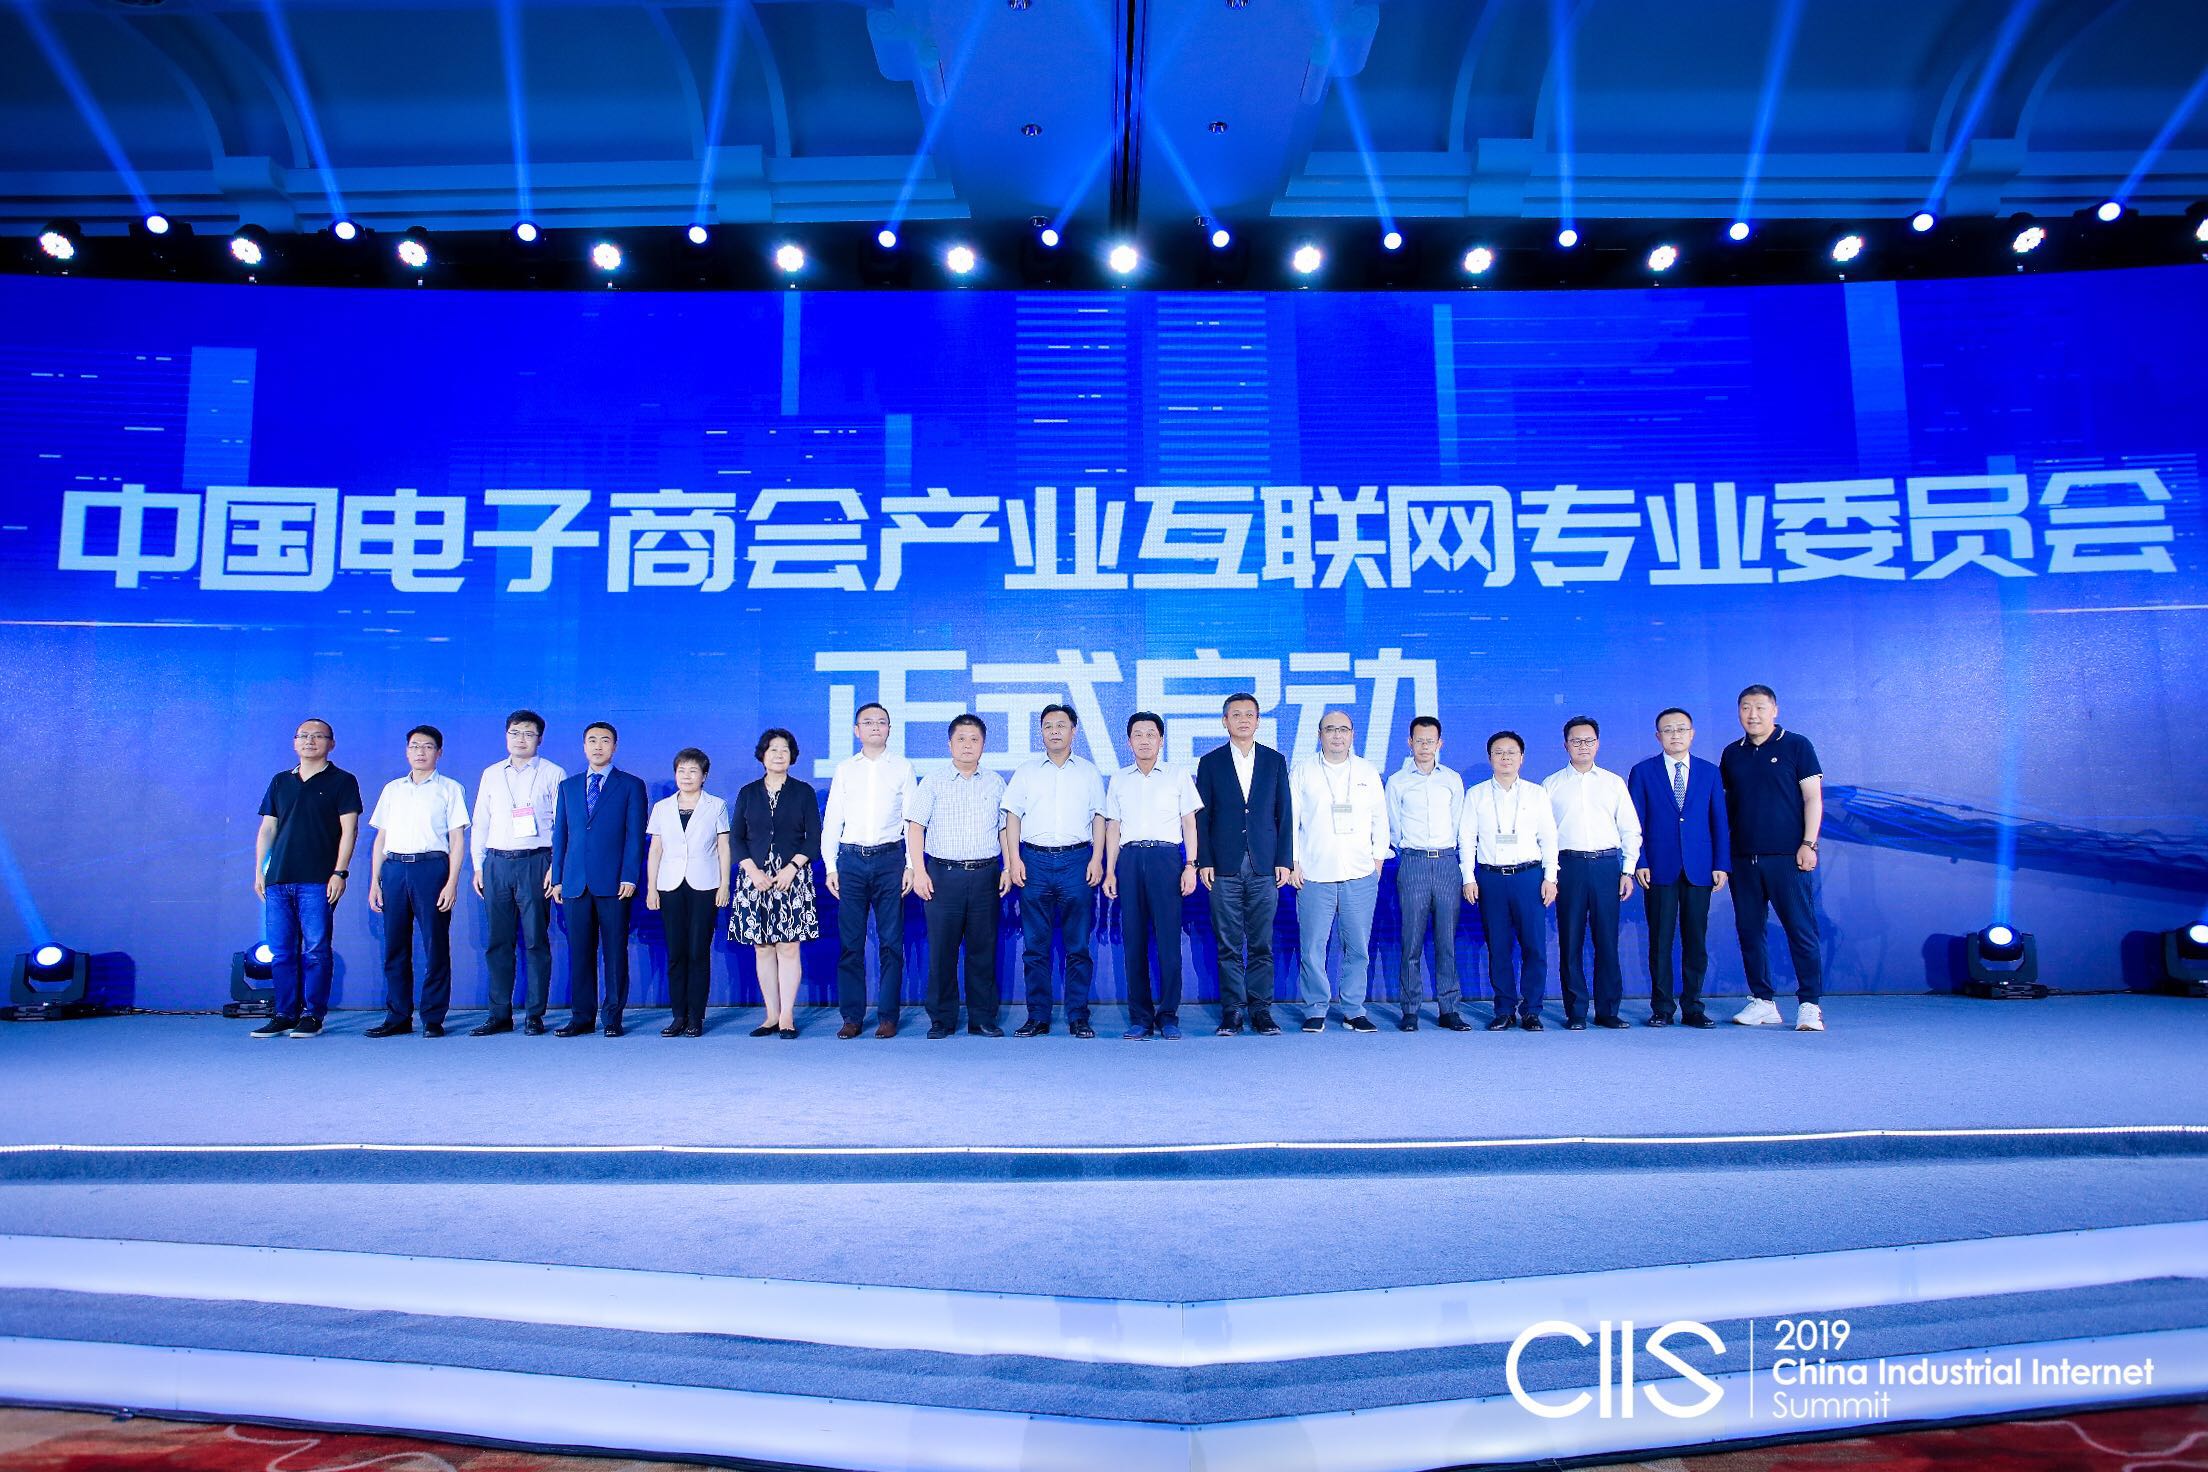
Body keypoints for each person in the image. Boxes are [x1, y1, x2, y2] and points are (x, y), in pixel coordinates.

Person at [1720, 685, 1827, 1031]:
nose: (1752, 714)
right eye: (1745, 707)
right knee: (1750, 931)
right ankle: (1763, 1002)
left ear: (1775, 710)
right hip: (1743, 859)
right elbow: (1726, 808)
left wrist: (1809, 844)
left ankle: (1809, 1004)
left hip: (1788, 858)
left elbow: (1812, 798)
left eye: (1760, 707)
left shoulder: (1797, 745)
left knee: (1800, 930)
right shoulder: (1731, 754)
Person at [250, 718, 361, 1038]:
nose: (310, 741)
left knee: (315, 950)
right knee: (282, 951)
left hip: (318, 879)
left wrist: (340, 871)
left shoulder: (342, 780)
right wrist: (260, 870)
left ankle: (313, 1015)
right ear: (294, 742)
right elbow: (268, 828)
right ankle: (285, 1013)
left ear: (331, 743)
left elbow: (349, 830)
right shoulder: (280, 781)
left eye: (318, 736)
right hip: (279, 879)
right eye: (303, 736)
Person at [1001, 705, 1107, 1038]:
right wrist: (1013, 860)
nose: (1055, 731)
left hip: (1077, 860)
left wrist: (1097, 859)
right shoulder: (1027, 771)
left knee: (1078, 946)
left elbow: (1099, 818)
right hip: (1034, 861)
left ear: (1074, 730)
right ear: (1041, 732)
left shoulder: (1088, 772)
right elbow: (1012, 817)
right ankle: (1038, 1016)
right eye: (1048, 726)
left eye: (1061, 725)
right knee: (1035, 947)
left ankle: (1078, 1016)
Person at [1194, 693, 1292, 1037]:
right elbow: (1202, 817)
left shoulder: (1274, 760)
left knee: (1262, 943)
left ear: (1258, 721)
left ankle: (1261, 1010)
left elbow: (1284, 813)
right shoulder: (1211, 762)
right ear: (1225, 721)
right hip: (1224, 865)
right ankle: (1233, 1011)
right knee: (1229, 944)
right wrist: (1204, 860)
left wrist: (1284, 860)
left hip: (1265, 864)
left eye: (1249, 714)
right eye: (1236, 715)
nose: (1243, 720)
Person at [1288, 711, 1392, 1033]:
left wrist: (1377, 861)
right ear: (1319, 734)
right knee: (1313, 947)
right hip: (1314, 873)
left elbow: (1380, 818)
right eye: (1330, 729)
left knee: (1357, 947)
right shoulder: (1303, 771)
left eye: (1343, 729)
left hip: (1359, 873)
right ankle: (1316, 1008)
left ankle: (1353, 1010)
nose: (1337, 735)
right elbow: (1291, 819)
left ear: (1352, 734)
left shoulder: (1366, 771)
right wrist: (1293, 861)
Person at [907, 714, 1010, 1039]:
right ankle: (942, 1018)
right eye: (961, 739)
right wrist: (919, 870)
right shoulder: (933, 781)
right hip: (943, 875)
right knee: (942, 951)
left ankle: (982, 1018)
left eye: (974, 739)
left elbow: (1004, 829)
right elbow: (915, 827)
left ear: (983, 744)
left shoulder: (995, 782)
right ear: (950, 744)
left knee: (983, 950)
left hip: (985, 875)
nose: (968, 745)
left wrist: (1008, 867)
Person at [364, 725, 470, 1038]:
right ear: (406, 751)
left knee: (435, 945)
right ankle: (398, 1016)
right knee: (395, 946)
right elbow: (381, 838)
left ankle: (433, 1017)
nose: (420, 752)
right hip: (394, 869)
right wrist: (375, 881)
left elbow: (457, 840)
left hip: (431, 869)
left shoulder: (450, 789)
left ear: (439, 752)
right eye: (414, 746)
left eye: (427, 746)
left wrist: (451, 882)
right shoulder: (392, 789)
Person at [1629, 708, 1730, 1028]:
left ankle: (1693, 1006)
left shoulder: (1709, 772)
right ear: (1658, 736)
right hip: (1658, 868)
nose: (1675, 735)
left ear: (1692, 734)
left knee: (1695, 940)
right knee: (1660, 940)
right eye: (1668, 730)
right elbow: (1635, 823)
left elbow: (1719, 821)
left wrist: (1721, 863)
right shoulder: (1643, 772)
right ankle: (1662, 1007)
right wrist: (1640, 861)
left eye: (1681, 729)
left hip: (1700, 868)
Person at [821, 703, 917, 1038]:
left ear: (889, 729)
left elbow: (911, 821)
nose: (875, 726)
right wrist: (830, 865)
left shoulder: (903, 767)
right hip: (850, 861)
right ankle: (852, 1017)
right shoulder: (845, 769)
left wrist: (911, 865)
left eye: (881, 722)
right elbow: (833, 819)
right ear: (856, 730)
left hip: (891, 860)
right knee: (851, 943)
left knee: (891, 942)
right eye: (868, 722)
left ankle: (888, 1016)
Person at [1105, 712, 1202, 1040]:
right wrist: (1110, 870)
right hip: (1130, 859)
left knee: (1168, 942)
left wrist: (1191, 865)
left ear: (1161, 740)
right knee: (1133, 941)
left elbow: (1189, 823)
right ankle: (1141, 1017)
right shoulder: (1119, 779)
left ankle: (1169, 1015)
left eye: (1151, 734)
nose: (1144, 740)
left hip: (1166, 859)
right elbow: (1113, 826)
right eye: (1138, 734)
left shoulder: (1177, 775)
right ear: (1129, 741)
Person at [1542, 716, 1643, 1031]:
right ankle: (1575, 1011)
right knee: (1570, 940)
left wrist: (1627, 870)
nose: (1582, 746)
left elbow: (1630, 829)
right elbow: (1544, 834)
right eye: (1576, 741)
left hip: (1606, 866)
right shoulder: (1551, 785)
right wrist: (1550, 875)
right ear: (1566, 745)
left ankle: (1608, 1010)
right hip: (1568, 866)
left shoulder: (1613, 783)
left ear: (1597, 744)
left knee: (1607, 940)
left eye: (1588, 740)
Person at [469, 710, 565, 1035]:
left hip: (536, 862)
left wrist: (555, 867)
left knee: (536, 941)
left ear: (539, 738)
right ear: (506, 735)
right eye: (514, 732)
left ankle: (535, 1014)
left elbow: (562, 825)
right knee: (498, 942)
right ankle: (499, 1014)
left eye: (528, 733)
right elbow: (481, 821)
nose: (520, 739)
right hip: (496, 863)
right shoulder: (491, 774)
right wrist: (478, 865)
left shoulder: (553, 773)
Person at [551, 721, 649, 1037]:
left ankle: (612, 1018)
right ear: (584, 747)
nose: (598, 746)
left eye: (605, 740)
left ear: (614, 747)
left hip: (614, 883)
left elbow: (635, 836)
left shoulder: (631, 785)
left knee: (615, 952)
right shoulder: (568, 787)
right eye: (592, 740)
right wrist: (558, 878)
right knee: (580, 953)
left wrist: (630, 875)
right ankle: (581, 1017)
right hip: (575, 882)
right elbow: (560, 835)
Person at [1460, 731, 1559, 1031]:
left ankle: (1532, 1011)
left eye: (1511, 752)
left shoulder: (1536, 793)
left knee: (1534, 947)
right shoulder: (1476, 794)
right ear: (1490, 758)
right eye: (1499, 752)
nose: (1505, 758)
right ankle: (1504, 1009)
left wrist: (1550, 877)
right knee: (1498, 946)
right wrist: (1468, 877)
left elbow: (1549, 837)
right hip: (1491, 879)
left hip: (1529, 877)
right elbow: (1467, 838)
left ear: (1522, 758)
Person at [731, 730, 820, 1038]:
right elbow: (736, 838)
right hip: (755, 878)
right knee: (762, 947)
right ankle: (770, 1015)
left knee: (789, 947)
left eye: (784, 749)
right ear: (762, 755)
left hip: (791, 877)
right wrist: (752, 872)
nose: (779, 754)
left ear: (792, 756)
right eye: (773, 749)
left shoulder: (803, 792)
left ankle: (787, 1016)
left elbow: (814, 838)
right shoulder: (748, 792)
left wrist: (792, 868)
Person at [1386, 715, 1469, 1031]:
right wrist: (1412, 851)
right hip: (1413, 862)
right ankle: (1410, 1010)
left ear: (1440, 743)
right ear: (1409, 743)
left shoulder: (1452, 779)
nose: (1424, 746)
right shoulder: (1397, 781)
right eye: (1419, 740)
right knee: (1411, 942)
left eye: (1430, 741)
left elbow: (1458, 822)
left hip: (1447, 862)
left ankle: (1449, 1008)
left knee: (1446, 941)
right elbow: (1394, 828)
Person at [647, 748, 730, 1037]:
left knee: (698, 951)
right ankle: (678, 1016)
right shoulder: (662, 807)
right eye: (681, 770)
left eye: (693, 771)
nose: (687, 776)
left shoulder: (716, 805)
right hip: (669, 885)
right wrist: (651, 888)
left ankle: (696, 1017)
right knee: (676, 952)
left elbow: (723, 847)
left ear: (704, 776)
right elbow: (655, 850)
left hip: (705, 884)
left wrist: (724, 884)